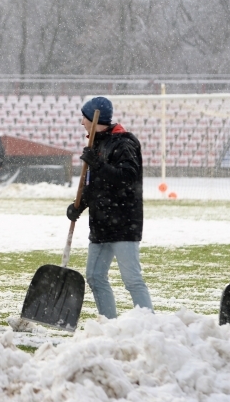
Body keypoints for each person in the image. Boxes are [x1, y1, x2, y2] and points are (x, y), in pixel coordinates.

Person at [67, 96, 153, 320]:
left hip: (123, 222)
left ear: (95, 119)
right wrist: (79, 206)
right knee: (95, 276)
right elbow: (96, 184)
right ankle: (108, 325)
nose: (82, 122)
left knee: (132, 279)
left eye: (84, 118)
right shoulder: (95, 144)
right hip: (101, 223)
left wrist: (98, 164)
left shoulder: (124, 143)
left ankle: (150, 325)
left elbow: (127, 177)